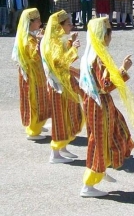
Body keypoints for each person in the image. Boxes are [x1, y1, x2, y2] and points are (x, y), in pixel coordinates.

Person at [79, 17, 134, 197]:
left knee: (113, 132)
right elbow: (106, 85)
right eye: (109, 33)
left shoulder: (93, 52)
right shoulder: (98, 57)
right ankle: (88, 184)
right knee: (99, 139)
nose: (111, 36)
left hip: (95, 102)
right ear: (102, 35)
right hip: (99, 103)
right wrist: (123, 70)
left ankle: (100, 170)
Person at [40, 11, 84, 163]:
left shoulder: (56, 39)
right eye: (68, 23)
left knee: (67, 115)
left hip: (62, 83)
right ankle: (55, 154)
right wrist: (74, 49)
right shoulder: (53, 42)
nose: (71, 25)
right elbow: (60, 63)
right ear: (59, 26)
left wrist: (70, 43)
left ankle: (63, 147)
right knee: (60, 117)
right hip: (58, 86)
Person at [11, 8, 50, 140]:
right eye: (37, 20)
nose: (40, 22)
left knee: (38, 98)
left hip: (35, 74)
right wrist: (40, 42)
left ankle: (37, 122)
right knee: (34, 100)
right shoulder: (28, 39)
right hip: (31, 75)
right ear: (30, 22)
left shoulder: (29, 36)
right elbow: (35, 56)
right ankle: (33, 129)